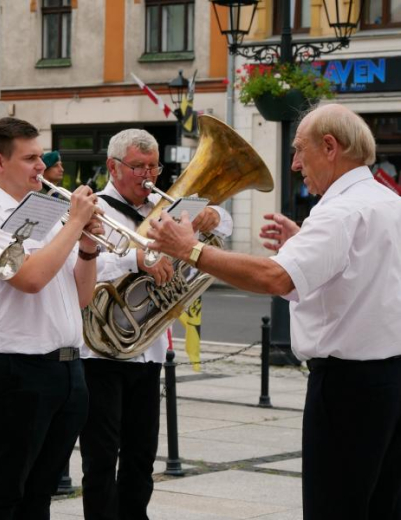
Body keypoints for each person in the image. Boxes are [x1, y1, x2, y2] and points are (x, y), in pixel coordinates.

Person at [147, 103, 401, 520]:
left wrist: (188, 249)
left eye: (301, 150)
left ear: (331, 147)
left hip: (349, 389)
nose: (296, 163)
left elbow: (273, 278)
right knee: (382, 506)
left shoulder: (340, 210)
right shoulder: (387, 201)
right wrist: (304, 242)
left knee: (334, 506)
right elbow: (364, 279)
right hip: (389, 381)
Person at [79, 128, 232, 520]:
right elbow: (81, 267)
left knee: (141, 455)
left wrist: (215, 216)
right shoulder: (94, 209)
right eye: (138, 167)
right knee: (100, 457)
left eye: (153, 166)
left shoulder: (161, 209)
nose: (149, 176)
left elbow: (221, 226)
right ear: (113, 167)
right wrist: (137, 260)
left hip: (145, 352)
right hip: (100, 353)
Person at [0, 117, 103, 519]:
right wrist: (74, 224)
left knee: (40, 492)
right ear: (0, 162)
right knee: (6, 490)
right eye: (31, 158)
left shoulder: (53, 216)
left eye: (41, 156)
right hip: (16, 371)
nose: (42, 165)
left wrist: (88, 246)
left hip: (67, 371)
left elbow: (82, 296)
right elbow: (31, 278)